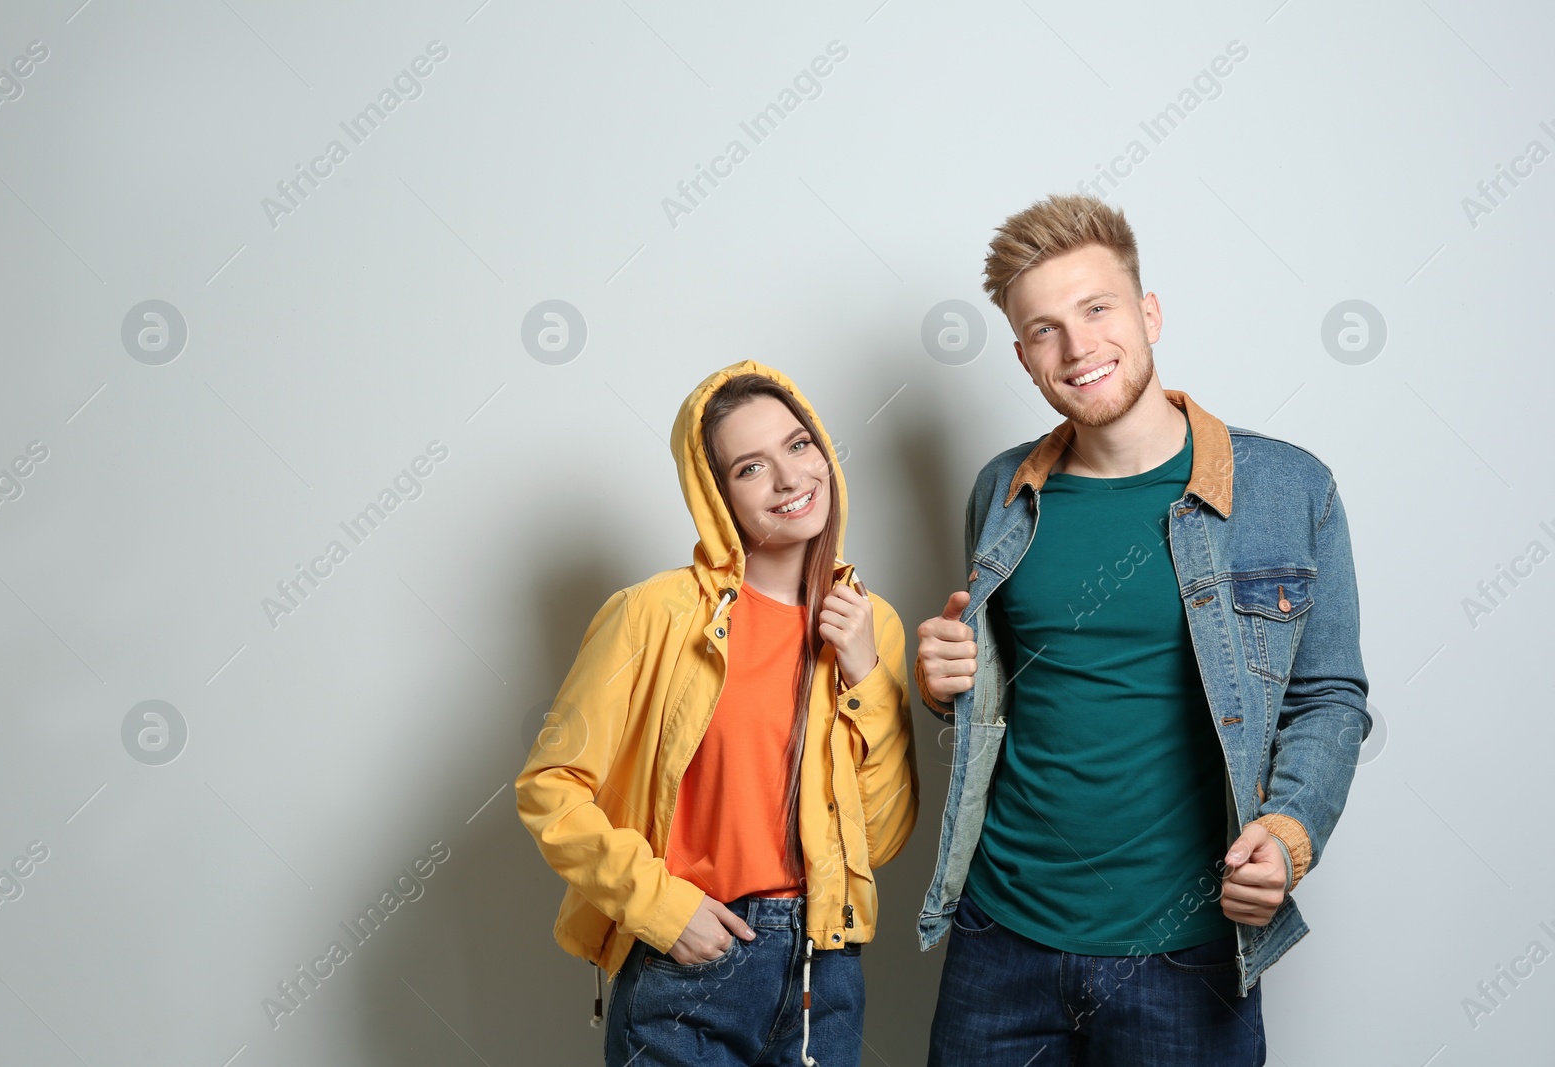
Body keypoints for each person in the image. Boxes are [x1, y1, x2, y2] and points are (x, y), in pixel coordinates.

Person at [914, 194, 1370, 1066]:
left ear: (1147, 311)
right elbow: (998, 689)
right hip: (1001, 934)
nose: (1078, 347)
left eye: (1097, 309)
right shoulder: (1001, 490)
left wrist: (1289, 830)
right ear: (1022, 356)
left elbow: (1329, 696)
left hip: (1190, 953)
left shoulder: (1287, 490)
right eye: (1044, 330)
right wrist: (944, 684)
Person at [517, 359, 919, 1067]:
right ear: (716, 496)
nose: (791, 478)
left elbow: (880, 839)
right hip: (689, 966)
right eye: (750, 468)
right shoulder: (652, 614)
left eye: (798, 445)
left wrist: (866, 674)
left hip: (824, 968)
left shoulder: (872, 622)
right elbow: (551, 786)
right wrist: (662, 909)